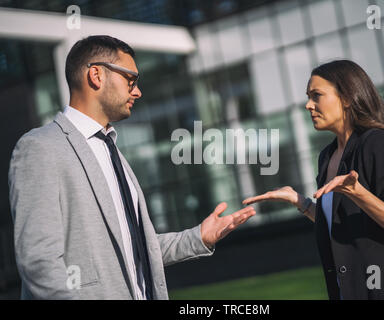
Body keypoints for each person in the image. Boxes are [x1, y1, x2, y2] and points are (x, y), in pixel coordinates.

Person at [8, 35, 255, 300]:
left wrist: (199, 237)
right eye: (131, 79)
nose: (137, 91)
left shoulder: (112, 150)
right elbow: (38, 262)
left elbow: (132, 250)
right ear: (96, 75)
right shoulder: (40, 147)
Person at [243, 60, 384, 300]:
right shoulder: (327, 156)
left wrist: (358, 193)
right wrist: (301, 202)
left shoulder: (377, 143)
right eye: (308, 97)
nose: (308, 105)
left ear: (347, 98)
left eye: (316, 95)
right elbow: (341, 222)